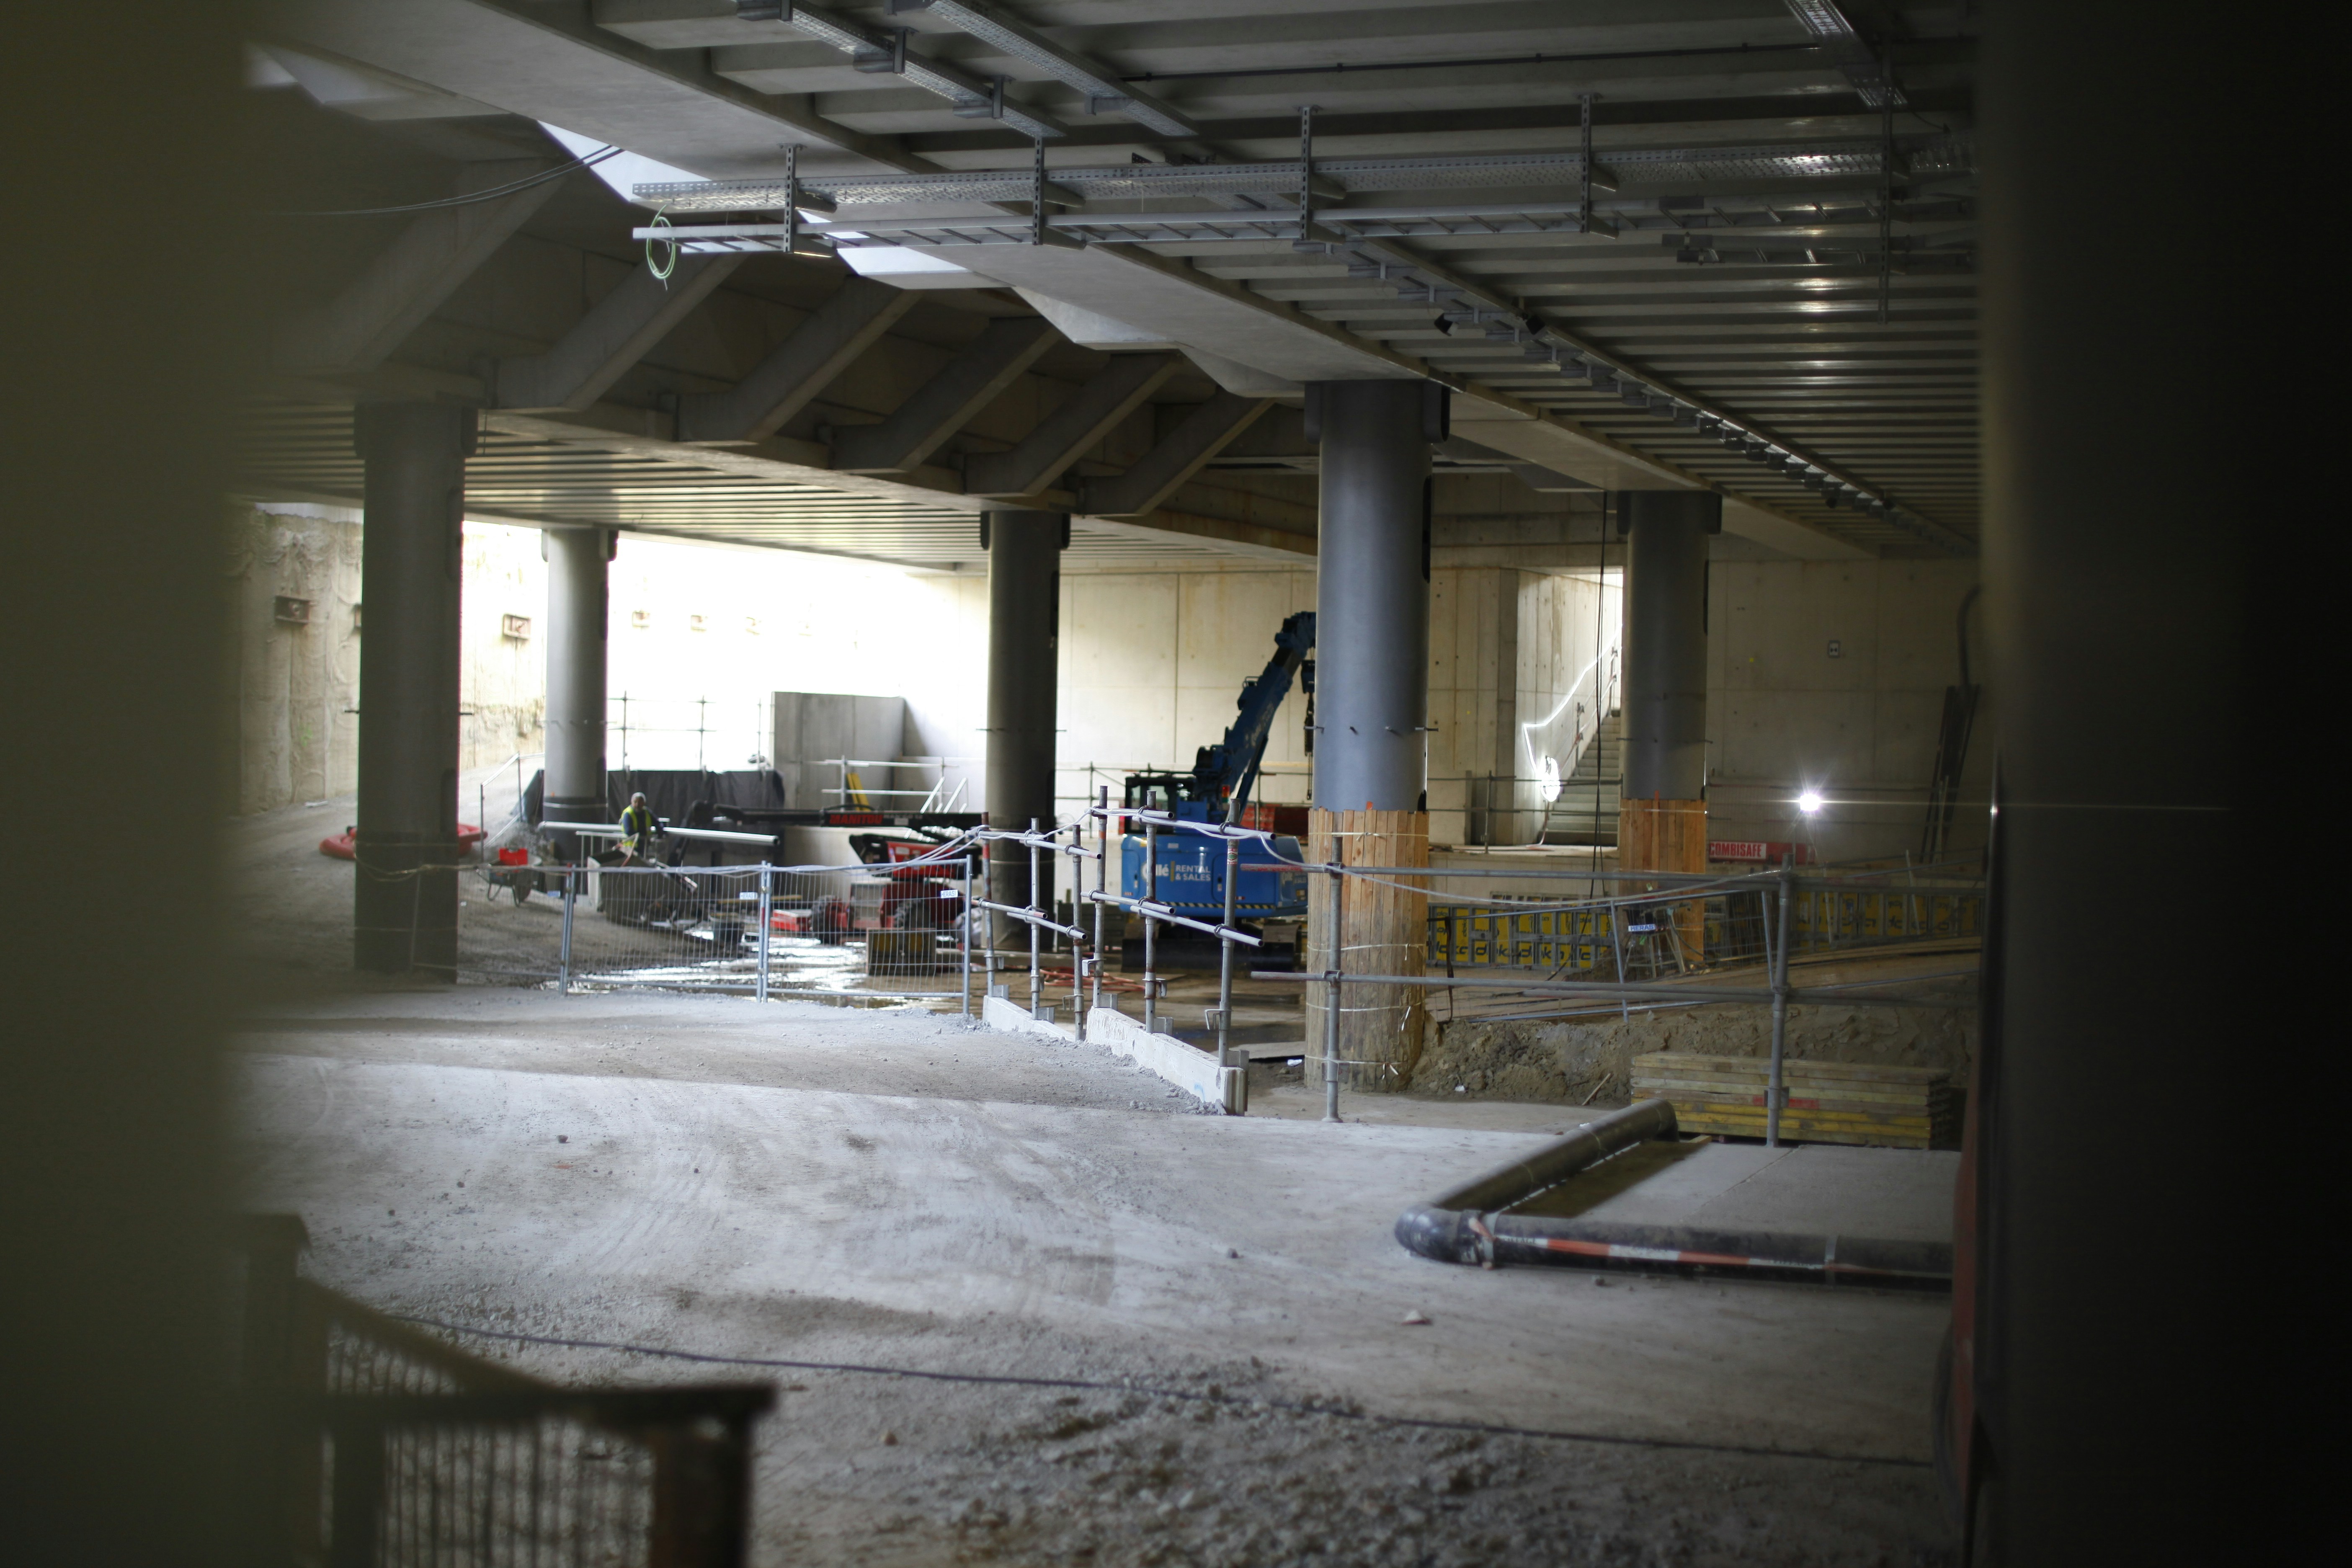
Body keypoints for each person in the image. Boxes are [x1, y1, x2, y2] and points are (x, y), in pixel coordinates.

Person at [619, 792, 661, 862]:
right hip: (631, 847)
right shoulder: (628, 814)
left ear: (644, 803)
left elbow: (657, 822)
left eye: (640, 802)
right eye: (635, 802)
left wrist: (660, 830)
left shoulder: (647, 812)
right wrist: (642, 837)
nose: (638, 805)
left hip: (644, 846)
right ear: (632, 802)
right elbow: (629, 831)